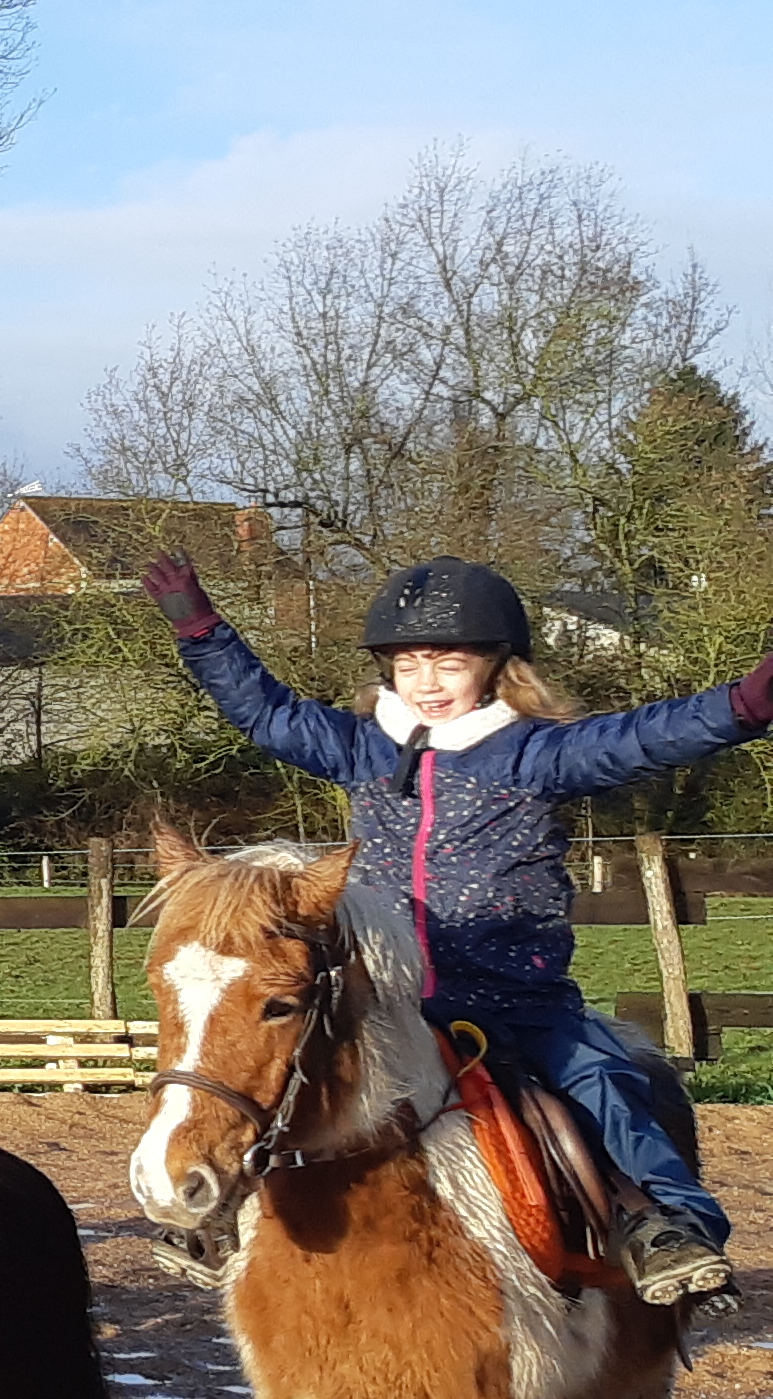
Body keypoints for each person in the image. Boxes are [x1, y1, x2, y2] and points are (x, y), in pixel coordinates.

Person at [143, 549, 773, 1308]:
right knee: (292, 1077)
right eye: (409, 665)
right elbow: (265, 712)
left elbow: (642, 738)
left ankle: (665, 1222)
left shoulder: (537, 754)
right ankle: (215, 1210)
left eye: (448, 663)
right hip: (391, 1000)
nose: (428, 683)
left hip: (513, 997)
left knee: (602, 1080)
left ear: (498, 666)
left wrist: (744, 706)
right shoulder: (359, 747)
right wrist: (200, 629)